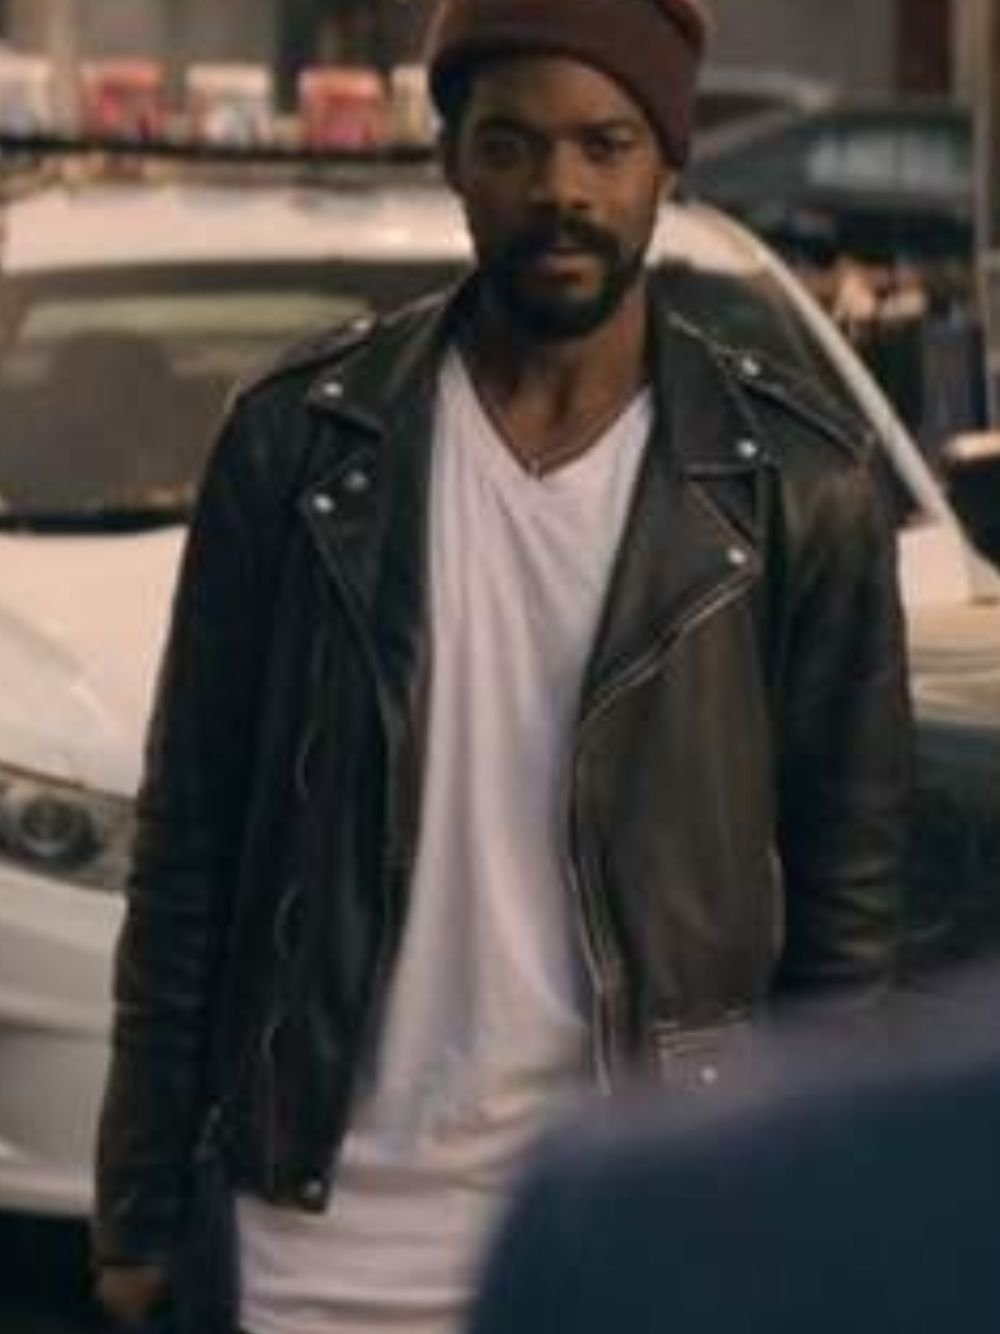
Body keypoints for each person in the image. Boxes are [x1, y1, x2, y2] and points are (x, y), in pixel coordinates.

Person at [92, 1, 911, 1331]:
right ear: (452, 160)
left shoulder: (798, 486)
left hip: (650, 1217)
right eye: (512, 145)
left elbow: (848, 909)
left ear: (669, 161)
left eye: (605, 144)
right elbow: (191, 844)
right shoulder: (298, 447)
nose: (561, 190)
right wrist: (137, 1202)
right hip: (325, 1231)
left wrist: (815, 1221)